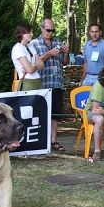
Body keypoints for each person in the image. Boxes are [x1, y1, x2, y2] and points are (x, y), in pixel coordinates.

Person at [30, 18, 70, 151]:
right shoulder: (34, 44)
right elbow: (36, 62)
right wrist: (49, 53)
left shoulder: (58, 42)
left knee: (55, 114)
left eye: (52, 30)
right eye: (48, 30)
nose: (50, 33)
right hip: (42, 84)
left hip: (57, 83)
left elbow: (65, 63)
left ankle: (54, 140)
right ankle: (42, 140)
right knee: (42, 113)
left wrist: (66, 53)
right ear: (41, 29)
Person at [11, 23, 45, 91]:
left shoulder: (30, 46)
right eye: (29, 32)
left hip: (37, 81)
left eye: (32, 32)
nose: (32, 34)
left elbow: (42, 66)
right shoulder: (18, 48)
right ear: (22, 33)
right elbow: (30, 70)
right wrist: (35, 64)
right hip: (27, 82)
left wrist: (32, 65)